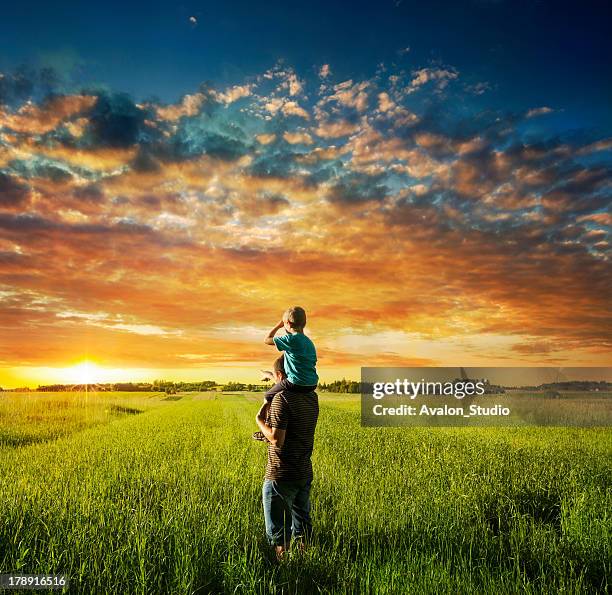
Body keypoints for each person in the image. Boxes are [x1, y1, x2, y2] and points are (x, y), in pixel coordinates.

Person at [254, 355, 319, 561]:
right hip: (303, 471)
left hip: (281, 474)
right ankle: (304, 563)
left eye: (275, 377)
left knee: (280, 533)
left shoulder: (281, 399)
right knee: (302, 523)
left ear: (281, 376)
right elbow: (295, 431)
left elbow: (276, 439)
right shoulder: (311, 397)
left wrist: (259, 420)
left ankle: (287, 573)